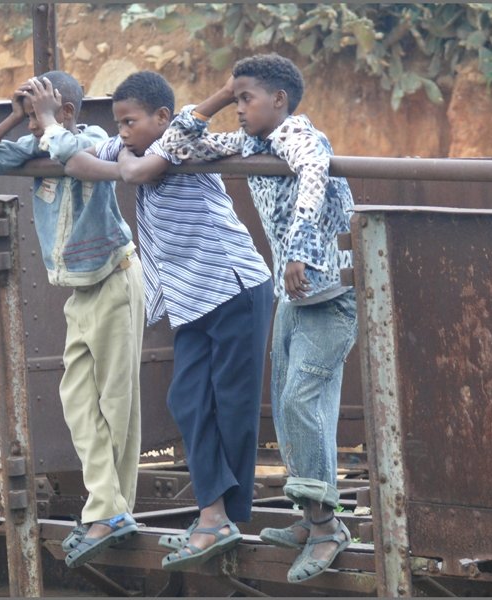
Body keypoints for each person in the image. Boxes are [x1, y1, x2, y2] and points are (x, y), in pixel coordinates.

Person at [64, 70, 274, 571]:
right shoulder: (130, 149)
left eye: (130, 122)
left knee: (233, 405)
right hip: (190, 299)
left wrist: (226, 91)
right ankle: (214, 514)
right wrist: (115, 155)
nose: (121, 132)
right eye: (118, 124)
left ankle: (217, 517)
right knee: (187, 399)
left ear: (161, 117)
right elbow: (76, 161)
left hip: (234, 287)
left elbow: (145, 166)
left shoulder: (183, 136)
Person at [162, 53, 357, 583]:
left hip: (330, 291)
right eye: (236, 98)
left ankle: (326, 530)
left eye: (247, 98)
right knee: (292, 403)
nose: (239, 108)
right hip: (296, 297)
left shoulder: (297, 134)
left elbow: (315, 170)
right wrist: (221, 97)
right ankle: (311, 517)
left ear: (280, 101)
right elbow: (176, 147)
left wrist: (297, 251)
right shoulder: (253, 143)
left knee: (300, 401)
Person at [0, 71, 144, 569]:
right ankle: (110, 508)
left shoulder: (93, 141)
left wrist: (46, 120)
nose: (35, 115)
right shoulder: (35, 145)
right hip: (79, 294)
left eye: (45, 104)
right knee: (79, 401)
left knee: (117, 402)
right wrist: (16, 117)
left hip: (114, 280)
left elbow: (75, 155)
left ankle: (110, 511)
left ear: (66, 111)